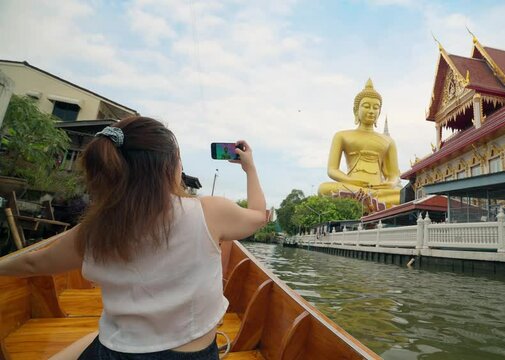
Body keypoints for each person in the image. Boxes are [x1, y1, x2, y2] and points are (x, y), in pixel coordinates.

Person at [0, 116, 266, 359]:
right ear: (169, 166)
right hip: (190, 355)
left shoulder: (94, 228)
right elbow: (259, 215)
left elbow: (34, 263)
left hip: (115, 351)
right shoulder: (209, 212)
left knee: (91, 338)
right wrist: (250, 167)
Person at [317, 79, 401, 206]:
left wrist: (391, 183)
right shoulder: (342, 135)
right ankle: (371, 201)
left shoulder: (388, 141)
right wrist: (351, 181)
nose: (372, 111)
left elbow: (394, 174)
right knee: (323, 188)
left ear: (379, 112)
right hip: (352, 187)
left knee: (403, 194)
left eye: (376, 107)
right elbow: (332, 169)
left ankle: (369, 200)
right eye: (366, 106)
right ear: (356, 110)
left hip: (378, 190)